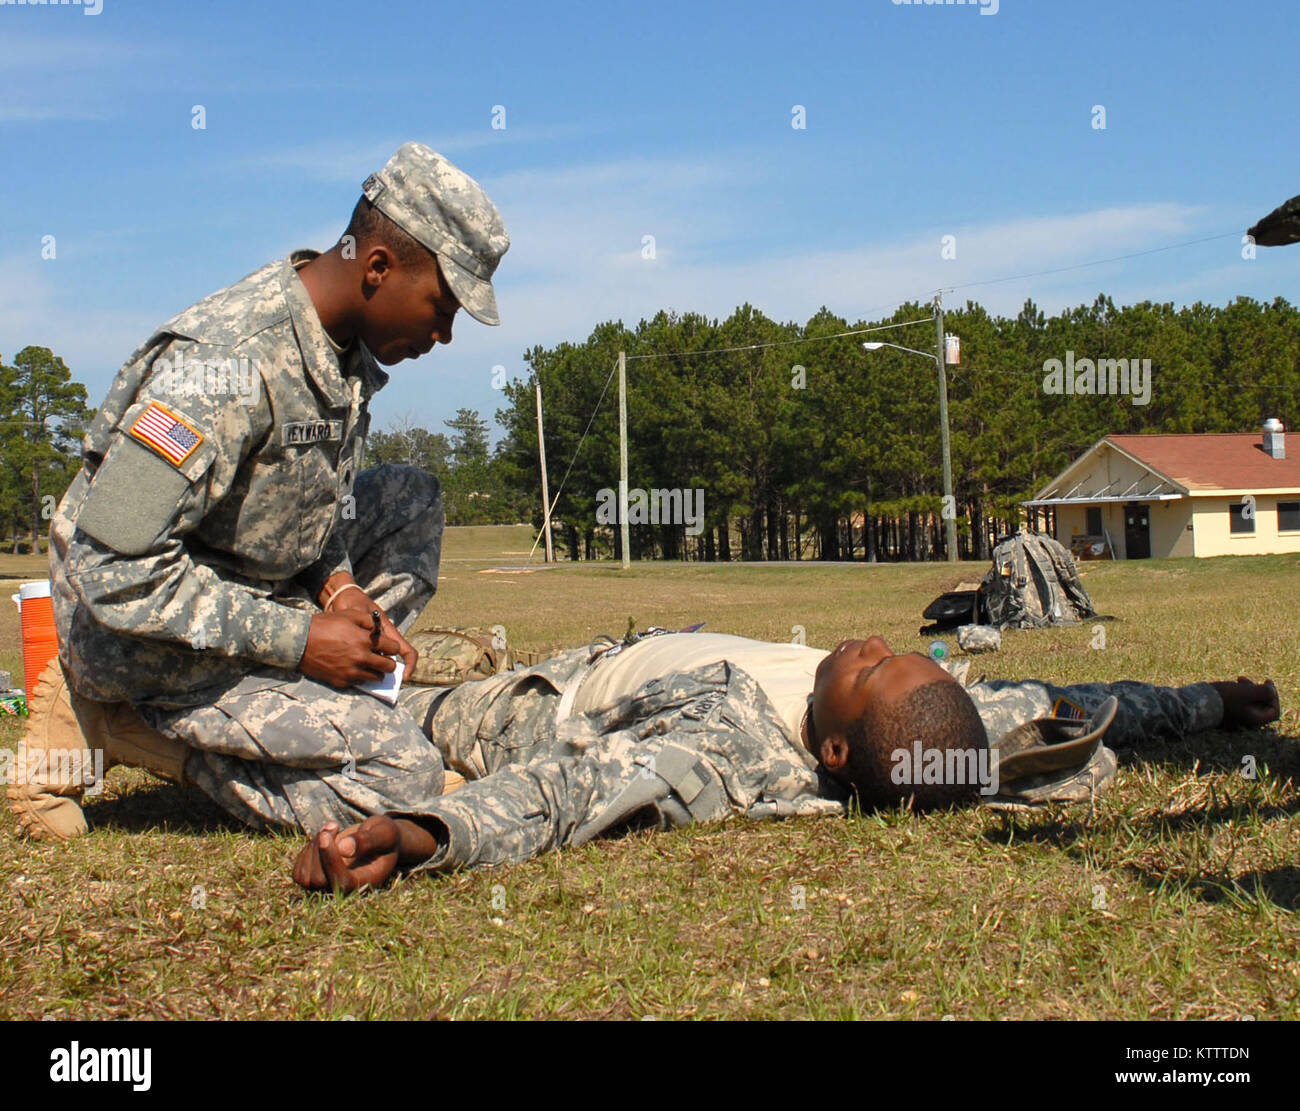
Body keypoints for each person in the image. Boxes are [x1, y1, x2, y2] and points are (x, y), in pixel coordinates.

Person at [10, 142, 509, 841]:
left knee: (410, 499)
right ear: (377, 267)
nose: (444, 334)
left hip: (242, 592)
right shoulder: (223, 364)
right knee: (405, 780)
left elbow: (305, 500)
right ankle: (118, 718)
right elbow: (111, 568)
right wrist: (302, 639)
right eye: (443, 305)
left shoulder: (344, 354)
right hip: (134, 636)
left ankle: (315, 694)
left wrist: (339, 589)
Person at [290, 629, 1281, 892]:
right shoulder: (951, 717)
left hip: (559, 704)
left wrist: (433, 833)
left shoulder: (727, 757)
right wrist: (1215, 703)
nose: (868, 648)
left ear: (835, 745)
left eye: (865, 672)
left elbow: (567, 794)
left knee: (386, 697)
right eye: (894, 656)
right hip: (646, 642)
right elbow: (1094, 707)